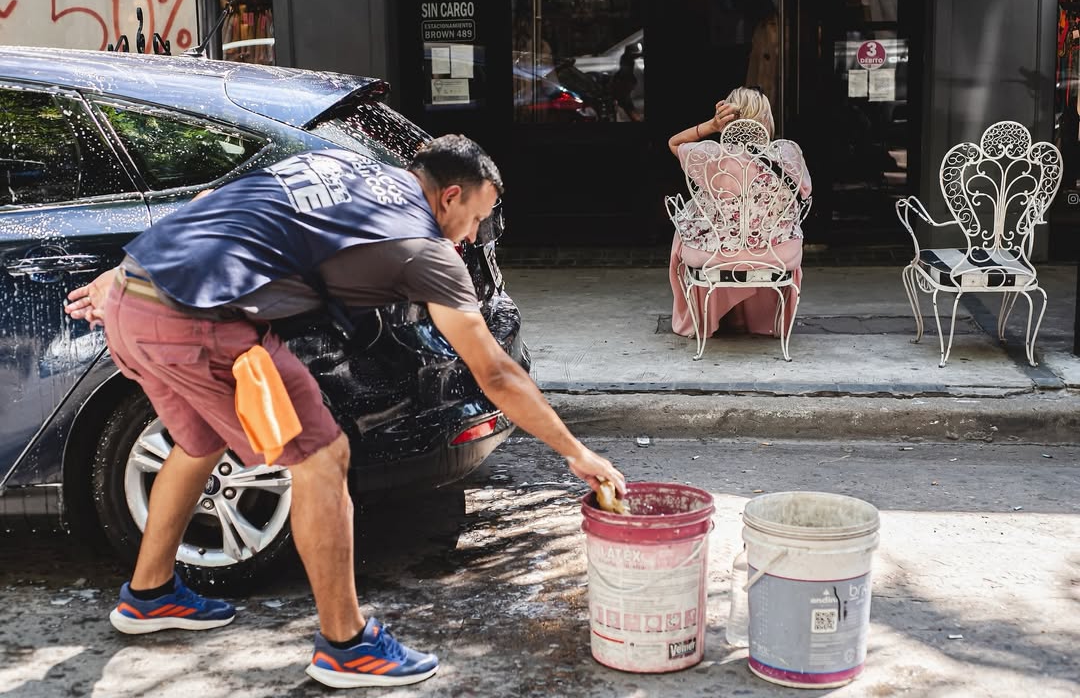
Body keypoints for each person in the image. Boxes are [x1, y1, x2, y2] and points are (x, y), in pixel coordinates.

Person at [64, 135, 625, 690]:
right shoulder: (424, 249)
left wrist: (125, 273)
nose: (474, 235)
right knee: (323, 455)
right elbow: (496, 374)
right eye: (477, 218)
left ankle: (149, 594)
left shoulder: (344, 164)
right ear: (450, 196)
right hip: (195, 322)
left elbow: (221, 200)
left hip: (133, 300)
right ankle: (346, 646)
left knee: (201, 442)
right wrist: (577, 452)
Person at [666, 87, 812, 338]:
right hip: (778, 254)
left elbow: (674, 142)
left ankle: (704, 320)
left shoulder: (712, 157)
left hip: (717, 256)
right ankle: (759, 319)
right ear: (766, 118)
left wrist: (711, 125)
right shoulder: (787, 154)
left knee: (686, 226)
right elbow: (805, 194)